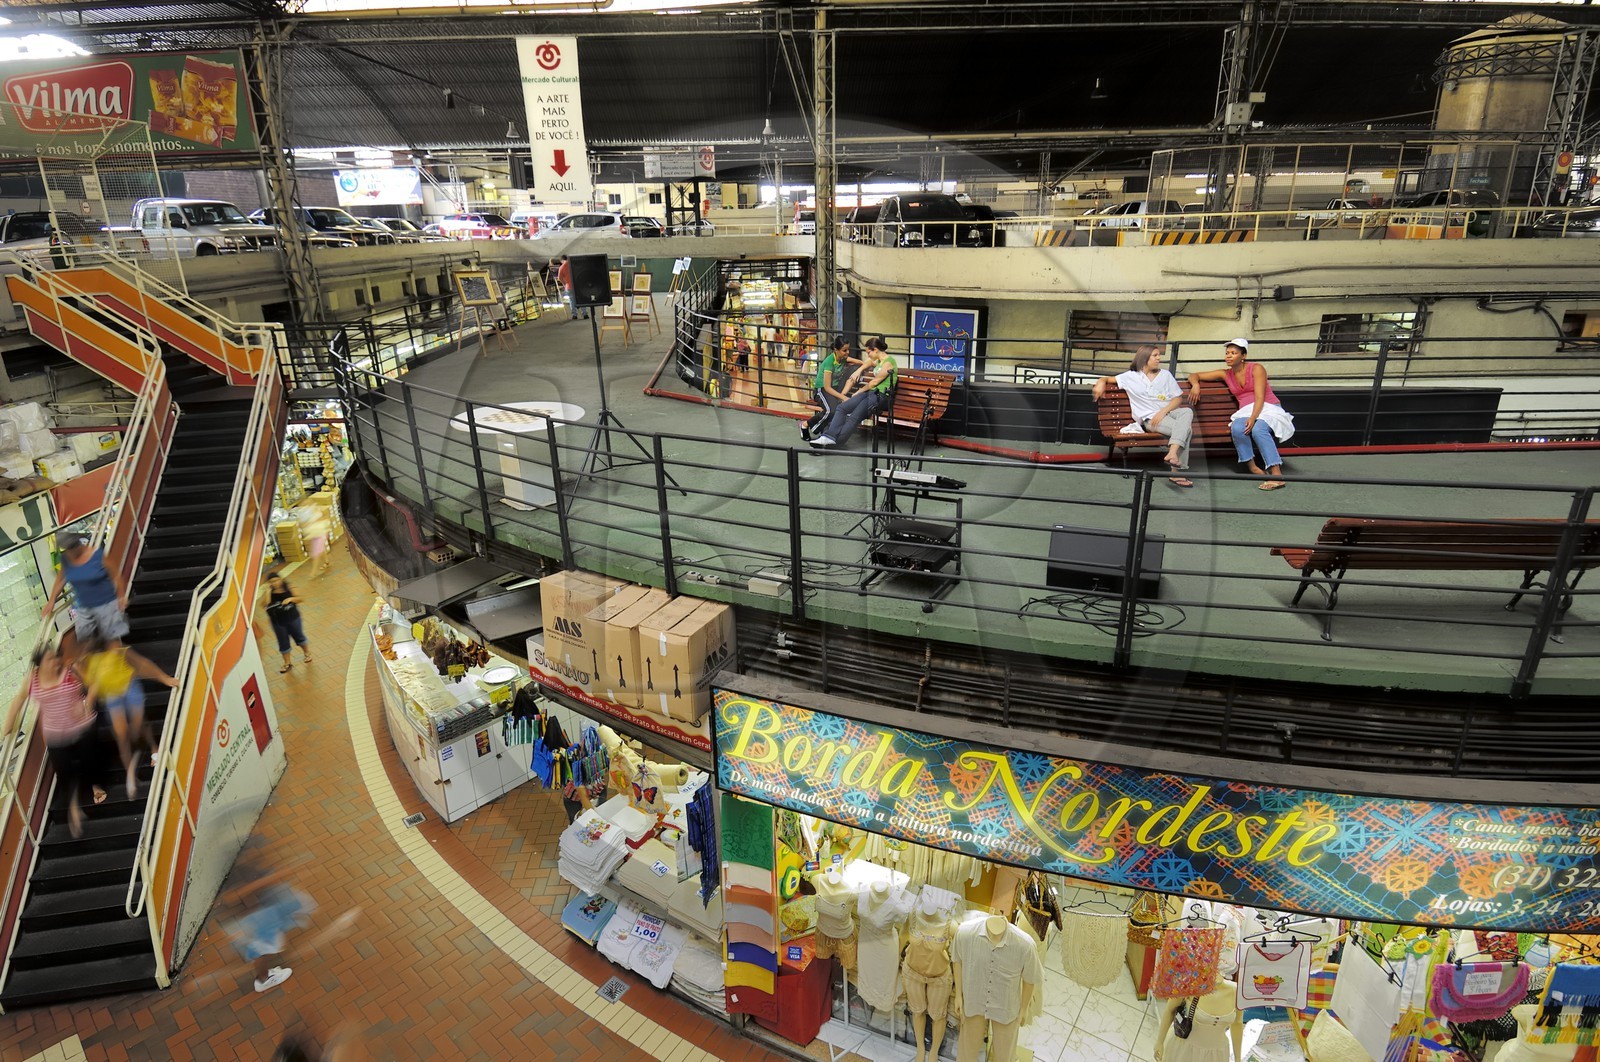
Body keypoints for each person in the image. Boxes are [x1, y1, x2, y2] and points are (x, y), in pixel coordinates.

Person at [4, 644, 106, 837]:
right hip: (55, 733)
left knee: (90, 760)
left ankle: (96, 786)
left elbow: (93, 684)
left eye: (55, 657)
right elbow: (18, 700)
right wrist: (7, 728)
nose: (56, 661)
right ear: (40, 664)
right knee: (64, 772)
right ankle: (74, 808)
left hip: (81, 726)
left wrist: (87, 703)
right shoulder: (32, 680)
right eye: (50, 659)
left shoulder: (70, 669)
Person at [1188, 338, 1295, 491]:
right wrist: (1196, 385)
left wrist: (1253, 418)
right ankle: (1252, 467)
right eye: (1227, 353)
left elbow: (1260, 397)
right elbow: (1194, 375)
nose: (1228, 356)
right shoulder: (1225, 374)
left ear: (1243, 356)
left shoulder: (1256, 368)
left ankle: (1276, 474)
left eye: (1233, 353)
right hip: (1245, 410)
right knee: (1238, 427)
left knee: (1258, 429)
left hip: (1267, 407)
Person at [81, 634, 177, 799]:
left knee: (137, 725)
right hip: (113, 696)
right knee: (121, 734)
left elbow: (142, 664)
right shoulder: (92, 660)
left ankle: (154, 748)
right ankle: (130, 774)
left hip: (129, 687)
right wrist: (88, 702)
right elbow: (93, 685)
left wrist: (164, 678)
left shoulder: (117, 648)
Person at [1093, 344, 1195, 488]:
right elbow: (1107, 379)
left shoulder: (1166, 375)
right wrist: (1101, 383)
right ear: (1144, 358)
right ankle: (1177, 473)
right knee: (1187, 430)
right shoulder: (1131, 377)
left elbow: (1178, 399)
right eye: (1155, 355)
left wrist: (1163, 411)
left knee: (1187, 411)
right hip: (1151, 419)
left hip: (1170, 412)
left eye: (1159, 355)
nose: (1159, 358)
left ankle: (1172, 454)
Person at [44, 530, 128, 654]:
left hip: (106, 603)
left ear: (78, 544)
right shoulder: (66, 559)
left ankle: (121, 667)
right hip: (84, 608)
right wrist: (51, 601)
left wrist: (121, 596)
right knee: (85, 645)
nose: (69, 552)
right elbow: (60, 580)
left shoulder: (97, 555)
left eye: (71, 548)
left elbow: (115, 575)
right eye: (65, 549)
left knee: (113, 643)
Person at [810, 336, 898, 449]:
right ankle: (829, 437)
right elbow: (869, 363)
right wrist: (859, 370)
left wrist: (859, 392)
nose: (868, 355)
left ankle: (836, 441)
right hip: (871, 393)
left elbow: (874, 383)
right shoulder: (880, 361)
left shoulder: (889, 363)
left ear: (875, 349)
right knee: (842, 407)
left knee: (854, 416)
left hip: (882, 396)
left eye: (868, 352)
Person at [801, 336, 856, 441]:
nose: (847, 352)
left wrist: (861, 367)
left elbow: (859, 362)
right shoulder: (829, 362)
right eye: (844, 350)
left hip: (833, 390)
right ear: (836, 350)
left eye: (848, 349)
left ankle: (823, 432)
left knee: (837, 410)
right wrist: (843, 397)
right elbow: (827, 387)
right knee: (831, 410)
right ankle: (807, 425)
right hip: (822, 390)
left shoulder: (843, 358)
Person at [263, 572, 313, 673]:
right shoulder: (269, 592)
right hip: (277, 621)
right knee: (283, 641)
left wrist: (290, 599)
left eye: (276, 580)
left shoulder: (289, 587)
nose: (275, 583)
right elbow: (266, 605)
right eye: (271, 582)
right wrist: (268, 593)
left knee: (299, 636)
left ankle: (307, 653)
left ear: (280, 579)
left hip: (292, 618)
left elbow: (300, 599)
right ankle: (287, 663)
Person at [556, 255, 585, 320]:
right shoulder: (574, 265)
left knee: (572, 300)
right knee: (581, 299)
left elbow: (559, 278)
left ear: (562, 260)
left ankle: (574, 315)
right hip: (578, 285)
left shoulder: (562, 267)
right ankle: (585, 314)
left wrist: (564, 283)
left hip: (569, 286)